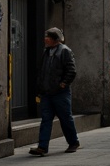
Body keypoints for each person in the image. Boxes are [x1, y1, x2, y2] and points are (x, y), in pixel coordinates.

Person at [29, 27, 80, 156]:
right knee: (46, 119)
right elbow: (41, 71)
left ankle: (73, 142)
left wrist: (62, 84)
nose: (45, 39)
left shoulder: (65, 51)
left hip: (60, 93)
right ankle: (42, 147)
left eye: (48, 37)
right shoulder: (46, 52)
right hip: (46, 93)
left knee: (65, 118)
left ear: (54, 39)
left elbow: (71, 71)